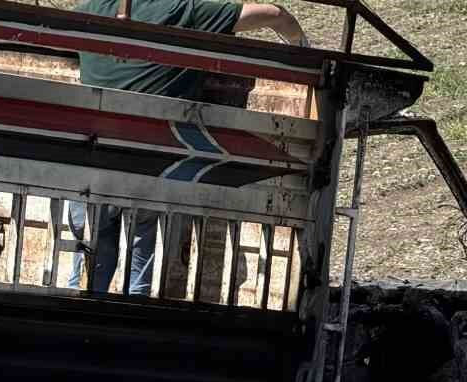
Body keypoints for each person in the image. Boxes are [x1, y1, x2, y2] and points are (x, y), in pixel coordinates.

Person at [68, 0, 307, 295]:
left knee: (87, 267)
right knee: (139, 263)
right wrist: (304, 49)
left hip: (88, 169)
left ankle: (78, 319)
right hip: (147, 172)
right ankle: (128, 325)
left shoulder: (87, 12)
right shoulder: (183, 12)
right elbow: (274, 15)